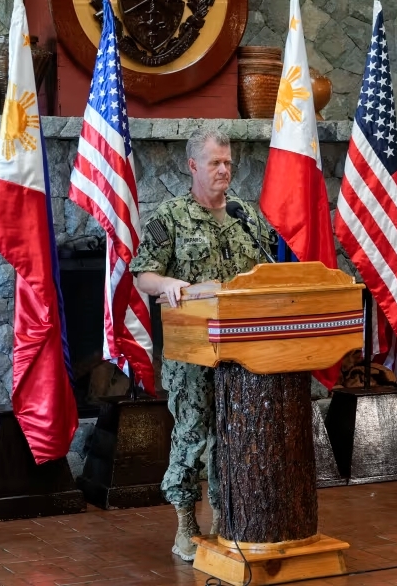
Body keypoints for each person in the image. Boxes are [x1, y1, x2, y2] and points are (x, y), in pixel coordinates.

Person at [130, 129, 274, 561]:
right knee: (193, 435)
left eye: (228, 162)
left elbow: (271, 270)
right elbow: (142, 274)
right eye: (215, 163)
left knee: (236, 437)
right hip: (192, 353)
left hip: (244, 351)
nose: (224, 170)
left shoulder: (246, 214)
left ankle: (227, 517)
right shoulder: (170, 216)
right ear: (193, 166)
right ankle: (185, 523)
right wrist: (171, 282)